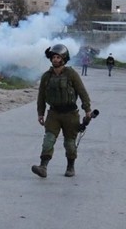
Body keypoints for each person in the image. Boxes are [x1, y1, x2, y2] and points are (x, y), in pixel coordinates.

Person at [31, 44, 92, 178]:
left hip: (70, 114)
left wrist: (87, 110)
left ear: (63, 59)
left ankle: (70, 166)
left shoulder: (71, 74)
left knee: (70, 143)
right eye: (53, 57)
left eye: (58, 57)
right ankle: (43, 166)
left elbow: (82, 92)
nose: (55, 59)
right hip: (53, 113)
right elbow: (41, 96)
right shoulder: (47, 76)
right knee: (48, 139)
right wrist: (40, 113)